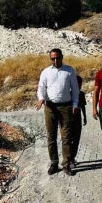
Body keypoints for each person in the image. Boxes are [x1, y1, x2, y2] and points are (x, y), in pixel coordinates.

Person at [36, 48, 79, 176]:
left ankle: (66, 164)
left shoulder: (69, 70)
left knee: (66, 137)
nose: (55, 60)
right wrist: (41, 98)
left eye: (58, 58)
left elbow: (75, 89)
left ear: (62, 57)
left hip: (65, 107)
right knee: (51, 137)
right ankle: (54, 162)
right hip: (50, 108)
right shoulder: (46, 72)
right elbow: (41, 88)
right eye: (53, 58)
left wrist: (75, 104)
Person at [70, 75, 87, 165]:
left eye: (80, 84)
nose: (79, 86)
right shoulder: (68, 95)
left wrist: (85, 117)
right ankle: (68, 159)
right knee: (69, 140)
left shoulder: (81, 94)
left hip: (78, 119)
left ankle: (73, 158)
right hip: (69, 120)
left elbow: (83, 106)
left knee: (76, 139)